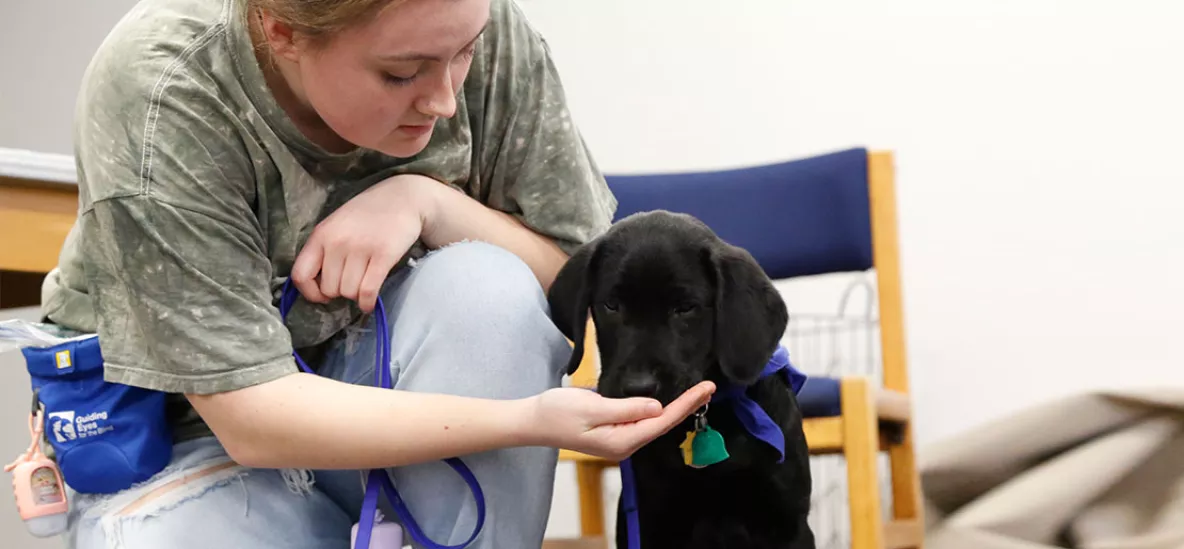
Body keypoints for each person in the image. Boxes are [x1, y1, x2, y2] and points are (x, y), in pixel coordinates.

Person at [36, 0, 716, 546]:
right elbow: (253, 416)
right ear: (280, 30)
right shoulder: (164, 87)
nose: (446, 100)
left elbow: (583, 275)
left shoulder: (477, 25)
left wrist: (428, 202)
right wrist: (524, 419)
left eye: (464, 55)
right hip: (196, 443)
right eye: (402, 73)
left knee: (488, 287)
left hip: (399, 417)